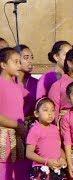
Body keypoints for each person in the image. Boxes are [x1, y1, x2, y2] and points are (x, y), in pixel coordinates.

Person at [0, 47, 29, 179]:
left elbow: (31, 101)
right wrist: (17, 125)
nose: (19, 65)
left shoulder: (18, 86)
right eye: (15, 62)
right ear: (3, 65)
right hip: (3, 138)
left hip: (19, 139)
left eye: (19, 62)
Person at [26, 97, 67, 179]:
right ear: (36, 114)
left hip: (57, 169)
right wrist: (47, 161)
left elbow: (58, 148)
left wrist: (63, 158)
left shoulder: (55, 129)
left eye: (52, 110)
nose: (50, 113)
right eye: (45, 110)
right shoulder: (35, 129)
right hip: (41, 170)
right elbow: (29, 153)